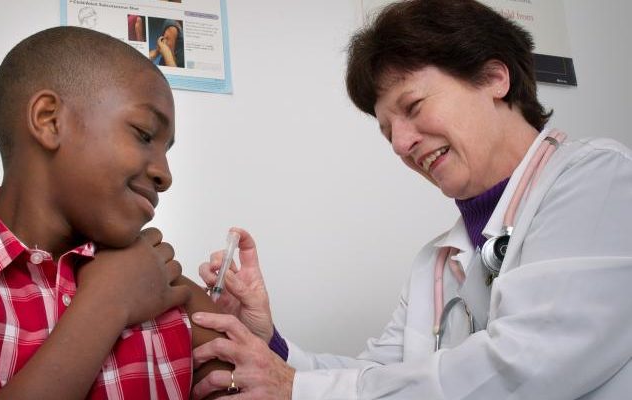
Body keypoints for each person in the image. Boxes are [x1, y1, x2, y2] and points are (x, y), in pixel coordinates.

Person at [190, 0, 632, 398]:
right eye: (386, 131)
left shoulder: (599, 178)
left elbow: (526, 367)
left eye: (414, 106)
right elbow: (379, 375)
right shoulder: (435, 263)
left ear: (495, 78)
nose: (401, 144)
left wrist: (297, 389)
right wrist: (269, 342)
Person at [0, 26, 232, 399]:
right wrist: (109, 302)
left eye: (166, 150)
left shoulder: (154, 277)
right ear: (49, 120)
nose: (165, 175)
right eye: (143, 134)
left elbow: (244, 370)